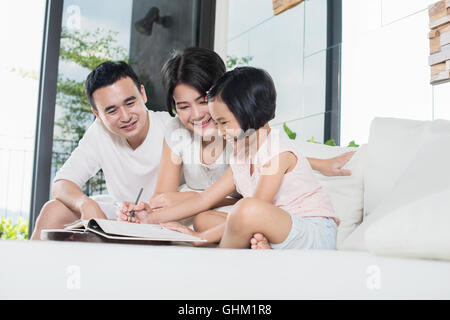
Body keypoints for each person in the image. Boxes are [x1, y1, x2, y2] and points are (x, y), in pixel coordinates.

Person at [120, 47, 353, 242]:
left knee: (244, 211)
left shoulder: (263, 145)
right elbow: (204, 200)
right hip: (273, 222)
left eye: (205, 104)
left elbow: (256, 200)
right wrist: (149, 218)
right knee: (205, 218)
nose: (200, 116)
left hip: (307, 228)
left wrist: (199, 239)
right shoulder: (239, 152)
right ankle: (257, 247)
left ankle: (222, 262)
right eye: (183, 106)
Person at [30, 61, 172, 240]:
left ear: (142, 94)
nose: (126, 117)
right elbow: (61, 184)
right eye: (112, 111)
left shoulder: (170, 127)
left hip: (166, 218)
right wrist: (84, 203)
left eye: (130, 103)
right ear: (97, 114)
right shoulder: (99, 132)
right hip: (121, 215)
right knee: (52, 211)